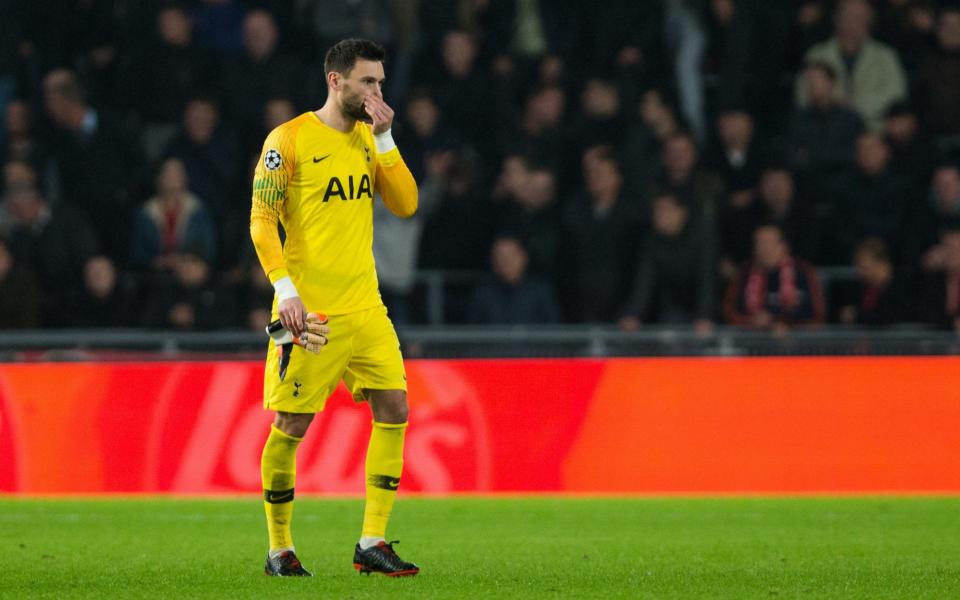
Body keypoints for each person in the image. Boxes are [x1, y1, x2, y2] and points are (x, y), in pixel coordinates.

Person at [249, 39, 419, 577]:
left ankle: (372, 540)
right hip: (311, 316)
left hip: (367, 309)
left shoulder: (372, 139)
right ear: (335, 81)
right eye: (368, 82)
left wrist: (388, 136)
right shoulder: (289, 139)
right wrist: (285, 290)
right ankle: (279, 550)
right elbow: (261, 220)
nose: (377, 92)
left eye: (381, 82)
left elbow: (407, 203)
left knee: (394, 407)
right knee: (291, 425)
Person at [723, 223, 827, 333]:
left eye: (769, 243)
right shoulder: (743, 273)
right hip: (751, 342)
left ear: (783, 246)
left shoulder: (803, 271)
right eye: (759, 243)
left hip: (798, 345)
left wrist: (785, 325)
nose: (763, 248)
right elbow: (729, 312)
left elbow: (818, 316)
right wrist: (751, 321)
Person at [468, 236, 560, 324]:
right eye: (500, 256)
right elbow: (471, 332)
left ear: (524, 257)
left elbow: (554, 329)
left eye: (511, 255)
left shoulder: (540, 291)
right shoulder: (483, 293)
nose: (506, 261)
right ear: (492, 260)